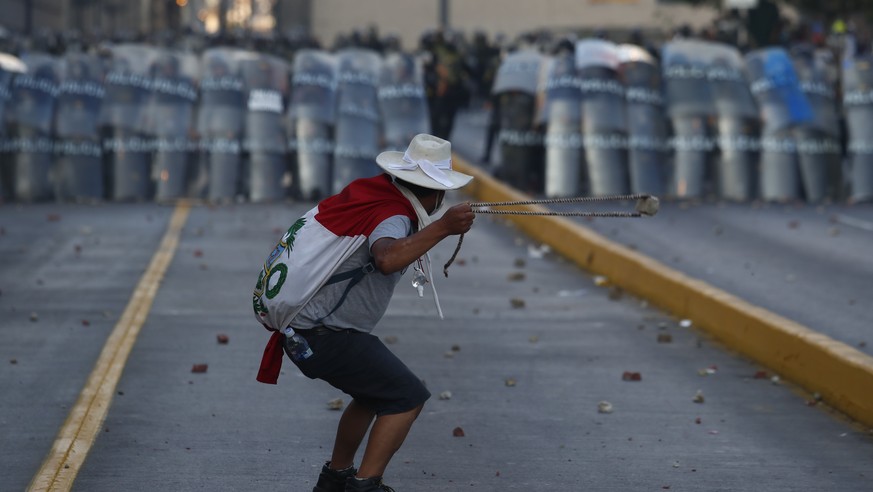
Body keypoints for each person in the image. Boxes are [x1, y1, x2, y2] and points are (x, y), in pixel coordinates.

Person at [253, 134, 475, 492]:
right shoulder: (393, 215)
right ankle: (364, 485)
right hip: (324, 334)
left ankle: (334, 478)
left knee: (374, 394)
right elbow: (386, 257)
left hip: (304, 332)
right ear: (434, 193)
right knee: (406, 397)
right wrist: (444, 227)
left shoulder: (372, 193)